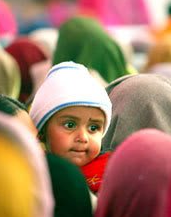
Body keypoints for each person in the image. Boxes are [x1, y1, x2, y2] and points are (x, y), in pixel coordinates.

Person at [29, 61, 112, 193]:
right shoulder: (31, 170)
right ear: (42, 131)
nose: (83, 138)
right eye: (70, 125)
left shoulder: (112, 170)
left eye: (93, 128)